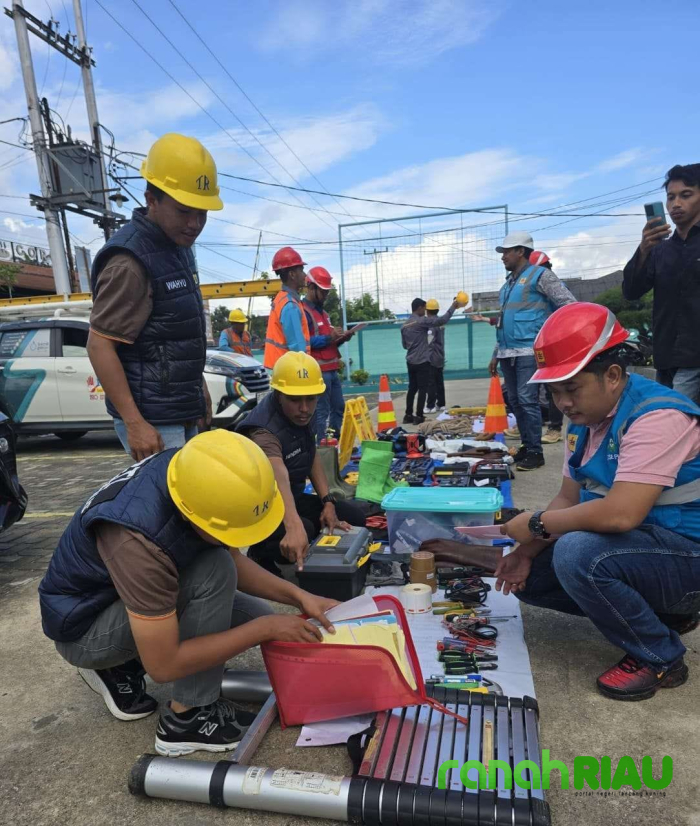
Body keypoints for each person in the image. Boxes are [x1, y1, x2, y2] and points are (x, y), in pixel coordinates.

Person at [38, 431, 338, 756]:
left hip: (113, 598)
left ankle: (121, 665)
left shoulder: (192, 472)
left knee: (255, 612)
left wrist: (297, 597)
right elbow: (164, 666)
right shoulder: (138, 542)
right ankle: (188, 718)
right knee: (217, 573)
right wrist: (266, 630)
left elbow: (233, 558)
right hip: (85, 630)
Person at [496, 302, 700, 701]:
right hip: (648, 549)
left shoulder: (656, 417)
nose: (564, 404)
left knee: (578, 553)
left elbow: (621, 514)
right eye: (555, 393)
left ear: (612, 375)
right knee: (530, 577)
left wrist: (536, 523)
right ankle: (666, 617)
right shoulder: (588, 422)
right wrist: (525, 550)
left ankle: (661, 657)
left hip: (687, 554)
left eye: (571, 389)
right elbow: (567, 499)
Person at [87, 133, 221, 461]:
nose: (195, 224)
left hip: (180, 409)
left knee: (192, 504)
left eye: (202, 213)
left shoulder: (177, 247)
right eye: (184, 211)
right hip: (154, 421)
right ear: (152, 199)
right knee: (167, 508)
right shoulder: (130, 262)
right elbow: (100, 345)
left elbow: (174, 334)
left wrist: (197, 390)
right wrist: (135, 424)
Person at [238, 351, 366, 573]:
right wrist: (293, 525)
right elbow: (278, 475)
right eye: (295, 400)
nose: (305, 408)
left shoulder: (303, 414)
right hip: (262, 508)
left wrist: (328, 502)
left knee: (354, 517)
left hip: (291, 497)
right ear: (278, 394)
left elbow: (311, 452)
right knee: (303, 531)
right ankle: (260, 551)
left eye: (311, 399)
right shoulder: (263, 430)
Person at [489, 232, 575, 471]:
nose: (503, 256)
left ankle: (536, 452)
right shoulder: (507, 285)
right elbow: (505, 322)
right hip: (508, 352)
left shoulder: (541, 276)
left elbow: (568, 304)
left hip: (529, 350)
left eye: (507, 251)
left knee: (528, 401)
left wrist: (551, 337)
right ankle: (527, 446)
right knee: (516, 401)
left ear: (521, 251)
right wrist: (496, 354)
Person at [622, 163, 700, 403]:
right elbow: (631, 291)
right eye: (670, 197)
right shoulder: (659, 250)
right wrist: (644, 249)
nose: (676, 204)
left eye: (686, 195)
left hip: (695, 357)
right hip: (666, 356)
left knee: (673, 421)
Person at [302, 266, 355, 442]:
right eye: (323, 291)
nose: (326, 295)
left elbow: (329, 340)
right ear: (311, 287)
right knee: (321, 411)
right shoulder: (303, 312)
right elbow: (305, 342)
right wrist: (328, 338)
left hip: (331, 369)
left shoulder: (323, 313)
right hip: (319, 370)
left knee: (339, 406)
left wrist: (342, 338)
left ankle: (334, 441)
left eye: (327, 292)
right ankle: (322, 446)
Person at [401, 297, 460, 424]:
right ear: (419, 308)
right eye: (424, 308)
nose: (425, 311)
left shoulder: (404, 325)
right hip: (422, 361)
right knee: (423, 388)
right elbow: (442, 320)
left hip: (410, 361)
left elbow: (405, 346)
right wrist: (453, 307)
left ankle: (408, 415)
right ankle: (419, 416)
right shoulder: (421, 321)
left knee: (412, 389)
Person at [263, 246, 310, 369]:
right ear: (292, 274)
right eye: (302, 270)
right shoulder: (290, 305)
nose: (305, 275)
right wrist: (306, 370)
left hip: (282, 369)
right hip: (291, 372)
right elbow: (298, 350)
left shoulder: (282, 299)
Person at [424, 298, 446, 413]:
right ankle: (441, 404)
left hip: (432, 357)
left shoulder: (432, 324)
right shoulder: (440, 323)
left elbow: (429, 341)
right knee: (439, 381)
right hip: (440, 356)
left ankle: (430, 406)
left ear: (427, 311)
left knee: (431, 381)